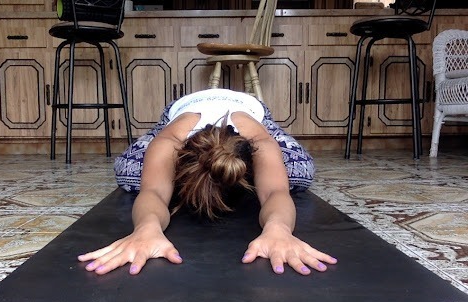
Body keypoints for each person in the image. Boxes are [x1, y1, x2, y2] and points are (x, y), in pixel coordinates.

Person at [78, 89, 337, 275]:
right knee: (129, 174)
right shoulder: (170, 140)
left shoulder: (257, 140)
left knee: (299, 174)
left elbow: (275, 192)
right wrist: (146, 227)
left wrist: (279, 228)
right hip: (185, 109)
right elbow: (154, 191)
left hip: (247, 108)